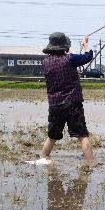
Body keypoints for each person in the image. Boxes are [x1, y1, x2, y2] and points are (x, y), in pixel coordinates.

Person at [39, 32, 94, 163]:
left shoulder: (45, 62)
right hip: (73, 103)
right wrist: (86, 44)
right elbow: (89, 56)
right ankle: (91, 163)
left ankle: (43, 159)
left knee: (52, 136)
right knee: (82, 135)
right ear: (65, 47)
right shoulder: (71, 59)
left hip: (55, 105)